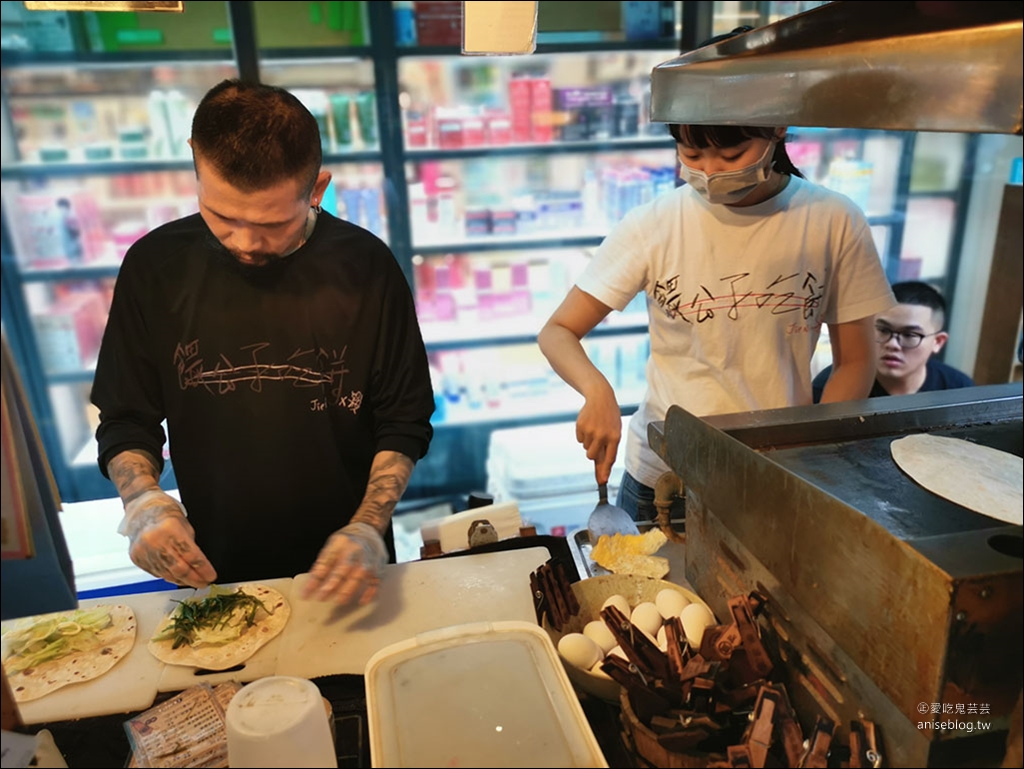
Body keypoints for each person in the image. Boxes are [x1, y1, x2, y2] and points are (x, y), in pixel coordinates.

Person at [90, 79, 435, 606]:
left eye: (273, 224)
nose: (246, 243)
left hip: (347, 572)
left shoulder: (366, 268)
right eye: (223, 217)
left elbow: (404, 420)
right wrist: (143, 503)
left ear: (316, 189)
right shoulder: (154, 268)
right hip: (215, 570)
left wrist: (368, 526)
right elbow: (125, 417)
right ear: (196, 165)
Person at [537, 32, 895, 523]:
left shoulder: (832, 220)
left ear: (778, 128)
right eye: (691, 154)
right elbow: (558, 331)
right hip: (663, 475)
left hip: (774, 469)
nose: (710, 172)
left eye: (730, 156)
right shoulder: (654, 224)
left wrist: (811, 448)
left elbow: (855, 361)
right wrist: (597, 390)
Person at [812, 280, 974, 402]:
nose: (892, 344)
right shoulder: (833, 386)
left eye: (910, 335)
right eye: (883, 330)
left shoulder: (958, 390)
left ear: (938, 342)